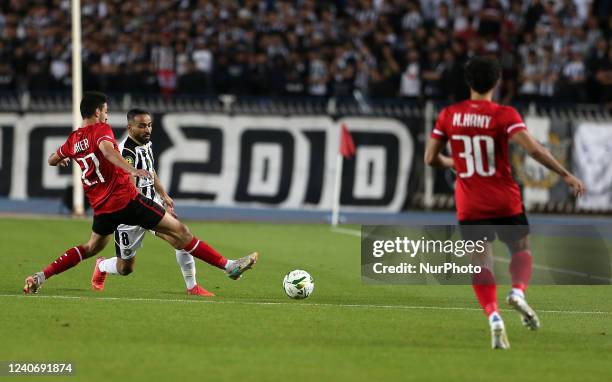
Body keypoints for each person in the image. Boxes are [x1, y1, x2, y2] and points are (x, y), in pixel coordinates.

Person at [24, 91, 258, 294]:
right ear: (97, 111)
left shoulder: (73, 140)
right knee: (181, 232)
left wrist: (60, 161)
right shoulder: (101, 130)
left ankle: (40, 277)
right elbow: (107, 151)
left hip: (103, 209)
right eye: (105, 110)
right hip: (127, 201)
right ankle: (229, 267)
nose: (107, 115)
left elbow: (52, 159)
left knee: (90, 248)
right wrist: (130, 168)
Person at [424, 56, 585, 350]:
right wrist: (565, 174)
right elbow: (534, 150)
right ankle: (518, 292)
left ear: (468, 81)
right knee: (521, 249)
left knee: (480, 262)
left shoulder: (449, 114)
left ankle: (493, 316)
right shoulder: (504, 114)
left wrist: (454, 161)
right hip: (504, 200)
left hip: (470, 202)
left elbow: (430, 158)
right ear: (497, 82)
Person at [90, 108, 213, 296]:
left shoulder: (145, 144)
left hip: (150, 203)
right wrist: (143, 208)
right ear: (130, 127)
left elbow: (150, 169)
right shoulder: (126, 151)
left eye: (149, 125)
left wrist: (163, 195)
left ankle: (192, 286)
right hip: (130, 212)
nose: (147, 130)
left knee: (180, 238)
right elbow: (130, 188)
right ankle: (103, 265)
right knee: (125, 268)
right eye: (141, 126)